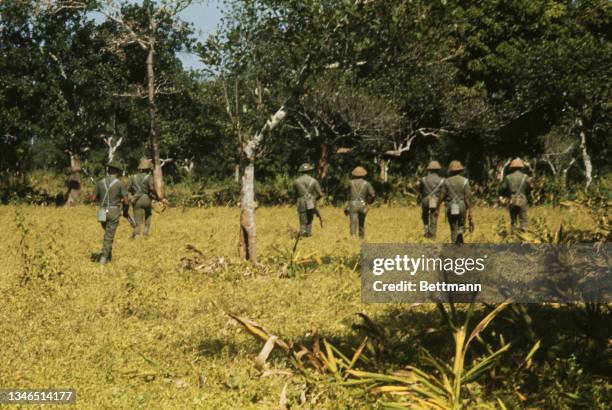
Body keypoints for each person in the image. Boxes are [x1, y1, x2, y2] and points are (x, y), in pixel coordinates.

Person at [92, 160, 129, 265]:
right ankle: (103, 259)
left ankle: (108, 255)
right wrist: (125, 211)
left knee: (107, 233)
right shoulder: (120, 184)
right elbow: (126, 201)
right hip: (113, 210)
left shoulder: (100, 182)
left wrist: (101, 198)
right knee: (109, 235)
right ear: (117, 171)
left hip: (102, 211)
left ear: (108, 170)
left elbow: (93, 198)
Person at [438, 160, 472, 244]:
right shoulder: (465, 181)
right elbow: (467, 198)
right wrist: (470, 211)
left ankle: (454, 245)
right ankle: (460, 235)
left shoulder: (446, 181)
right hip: (461, 206)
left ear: (450, 171)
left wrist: (437, 207)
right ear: (460, 170)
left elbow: (442, 196)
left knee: (453, 227)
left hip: (451, 206)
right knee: (461, 225)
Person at [500, 158, 532, 233]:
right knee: (523, 220)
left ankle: (513, 236)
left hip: (512, 199)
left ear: (511, 167)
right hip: (522, 198)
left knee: (513, 220)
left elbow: (503, 189)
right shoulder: (525, 177)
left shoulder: (508, 177)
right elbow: (530, 188)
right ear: (521, 167)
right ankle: (523, 237)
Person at [345, 166, 376, 239]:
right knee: (361, 223)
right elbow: (373, 195)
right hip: (363, 205)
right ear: (364, 174)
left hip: (352, 205)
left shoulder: (350, 183)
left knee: (353, 222)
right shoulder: (367, 184)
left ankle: (352, 237)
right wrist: (370, 202)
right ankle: (361, 238)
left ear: (354, 174)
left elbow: (346, 191)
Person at [129, 158, 156, 239]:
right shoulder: (149, 177)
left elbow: (128, 188)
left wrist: (134, 192)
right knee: (148, 215)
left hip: (136, 200)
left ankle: (137, 235)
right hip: (146, 199)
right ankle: (145, 233)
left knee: (137, 219)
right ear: (148, 169)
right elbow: (151, 188)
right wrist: (156, 194)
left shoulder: (133, 177)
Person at [293, 163, 322, 237]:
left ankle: (303, 233)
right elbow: (320, 194)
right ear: (310, 171)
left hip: (301, 202)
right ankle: (308, 235)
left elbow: (295, 195)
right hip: (311, 202)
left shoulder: (296, 181)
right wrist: (314, 199)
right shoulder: (314, 181)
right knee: (309, 219)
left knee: (302, 220)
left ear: (301, 171)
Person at [419, 160, 444, 239]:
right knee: (434, 216)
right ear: (438, 169)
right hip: (435, 201)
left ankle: (426, 227)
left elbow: (420, 190)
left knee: (424, 214)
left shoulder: (423, 179)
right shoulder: (442, 180)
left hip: (425, 200)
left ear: (429, 169)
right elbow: (442, 193)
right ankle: (432, 235)